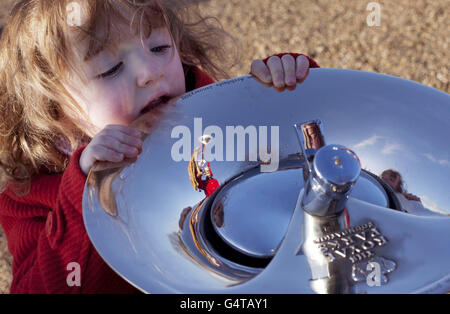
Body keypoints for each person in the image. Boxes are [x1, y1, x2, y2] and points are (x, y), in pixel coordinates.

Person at [0, 0, 319, 293]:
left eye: (159, 47)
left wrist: (288, 90)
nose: (149, 73)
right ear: (55, 111)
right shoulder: (31, 202)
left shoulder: (213, 122)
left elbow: (306, 166)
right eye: (110, 69)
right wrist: (86, 195)